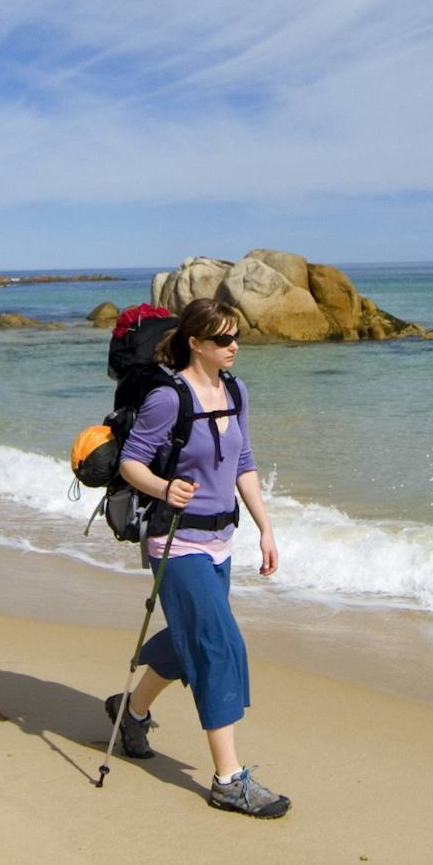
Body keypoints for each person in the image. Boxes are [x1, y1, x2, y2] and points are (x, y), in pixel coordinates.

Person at [107, 297, 288, 817]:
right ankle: (228, 779)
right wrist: (165, 488)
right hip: (175, 542)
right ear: (196, 343)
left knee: (190, 637)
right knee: (217, 645)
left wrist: (265, 527)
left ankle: (132, 710)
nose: (234, 347)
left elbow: (244, 460)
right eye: (223, 339)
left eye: (236, 338)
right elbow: (129, 463)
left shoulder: (235, 390)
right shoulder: (170, 398)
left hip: (220, 540)